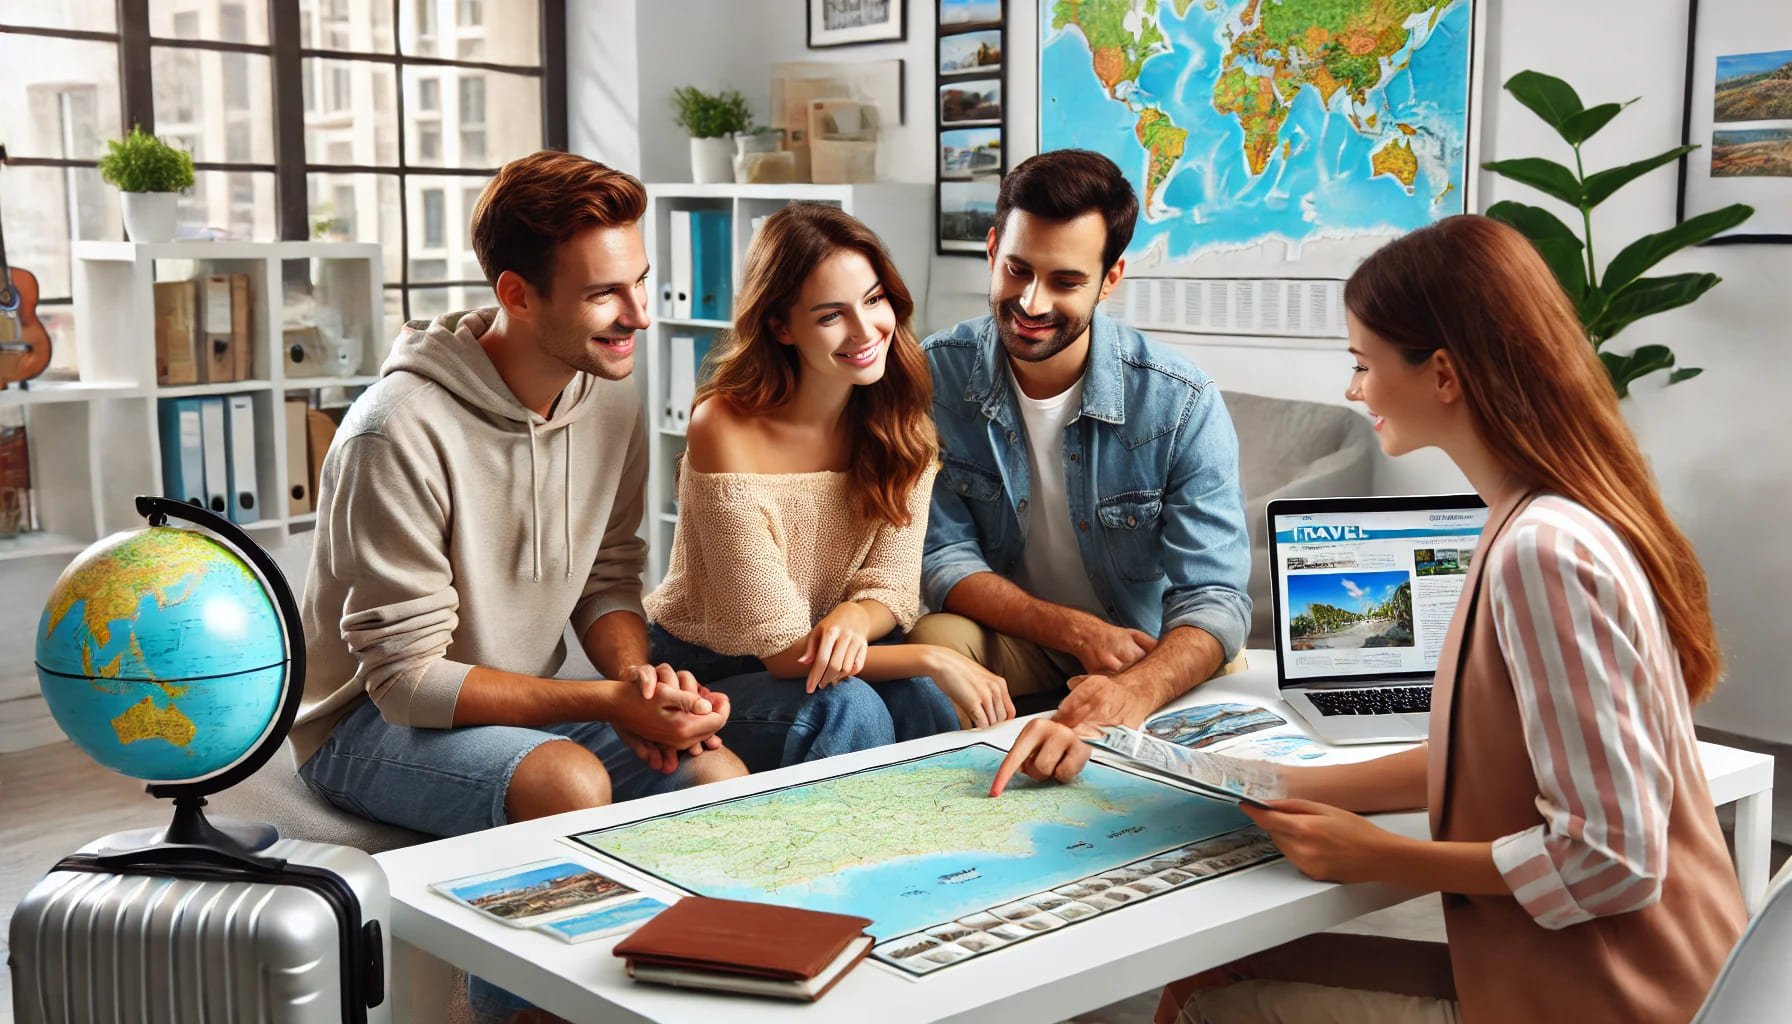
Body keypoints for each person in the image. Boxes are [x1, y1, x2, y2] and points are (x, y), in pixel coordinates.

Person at [1156, 214, 1747, 1024]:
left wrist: (1388, 858)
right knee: (1203, 974)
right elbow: (1488, 757)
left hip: (1606, 1002)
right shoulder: (1540, 518)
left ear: (1442, 375)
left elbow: (1613, 862)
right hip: (1601, 975)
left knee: (1202, 1003)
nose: (1353, 390)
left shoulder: (1541, 553)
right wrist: (1295, 784)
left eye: (1362, 363)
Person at [292, 151, 747, 846]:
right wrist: (608, 702)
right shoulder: (393, 432)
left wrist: (641, 683)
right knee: (569, 784)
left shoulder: (612, 396)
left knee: (719, 780)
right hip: (367, 723)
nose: (640, 317)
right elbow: (407, 684)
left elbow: (608, 576)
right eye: (604, 295)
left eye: (643, 283)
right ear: (518, 295)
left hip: (514, 712)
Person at [910, 148, 1252, 757]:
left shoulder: (1180, 401)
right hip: (1021, 635)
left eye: (1065, 281)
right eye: (1017, 269)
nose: (1033, 304)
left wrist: (1136, 687)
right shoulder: (932, 376)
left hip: (1145, 645)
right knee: (932, 643)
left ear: (1110, 278)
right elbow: (944, 559)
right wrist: (1074, 630)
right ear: (992, 250)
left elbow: (1216, 597)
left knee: (1213, 655)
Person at [645, 202, 1009, 773]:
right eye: (830, 315)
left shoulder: (900, 418)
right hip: (713, 669)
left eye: (873, 299)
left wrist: (855, 618)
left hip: (832, 652)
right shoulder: (723, 425)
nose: (866, 331)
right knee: (850, 708)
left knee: (923, 698)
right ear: (781, 327)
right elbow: (786, 652)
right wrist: (936, 656)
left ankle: (937, 848)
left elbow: (891, 587)